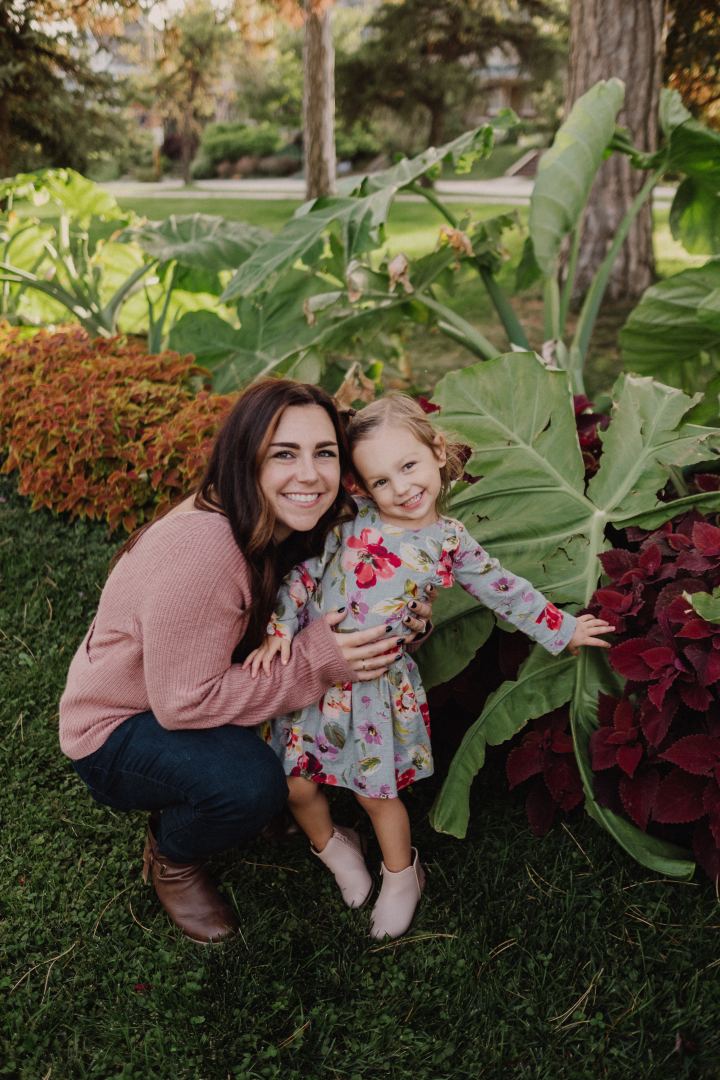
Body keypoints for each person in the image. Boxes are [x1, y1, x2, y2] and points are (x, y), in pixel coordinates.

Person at [58, 381, 435, 944]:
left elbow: (346, 598)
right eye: (284, 453)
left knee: (273, 760)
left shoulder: (298, 519)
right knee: (250, 783)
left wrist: (406, 620)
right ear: (246, 457)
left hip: (195, 686)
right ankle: (173, 855)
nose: (309, 474)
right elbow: (183, 703)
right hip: (121, 725)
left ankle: (292, 811)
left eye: (324, 453)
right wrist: (317, 661)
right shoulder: (207, 550)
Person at [245, 394, 615, 941]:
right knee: (296, 783)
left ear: (438, 452)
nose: (401, 488)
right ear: (362, 487)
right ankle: (332, 846)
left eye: (409, 466)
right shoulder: (350, 520)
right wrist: (279, 628)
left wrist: (562, 628)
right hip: (313, 678)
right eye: (381, 481)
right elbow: (302, 576)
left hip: (373, 688)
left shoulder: (449, 541)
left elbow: (505, 589)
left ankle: (401, 874)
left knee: (375, 795)